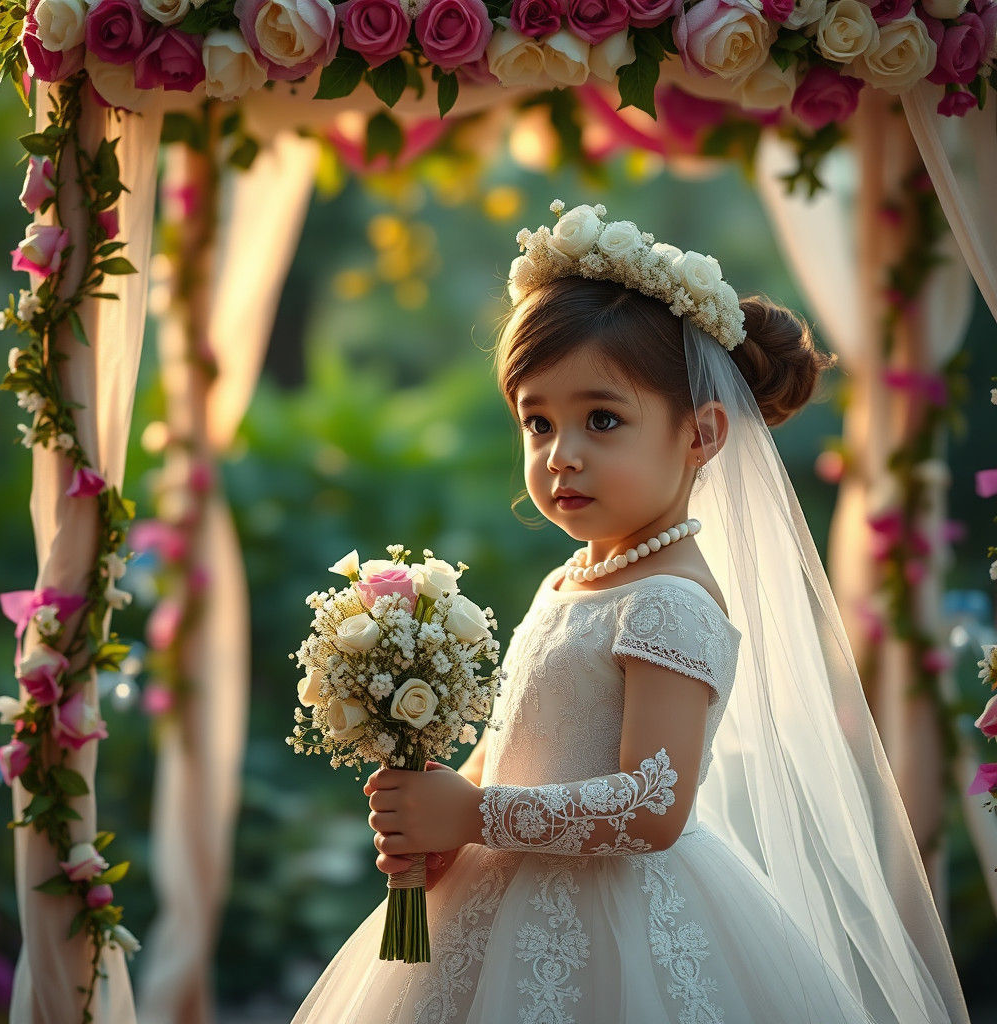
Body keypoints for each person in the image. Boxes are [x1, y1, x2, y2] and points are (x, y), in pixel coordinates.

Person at [291, 201, 971, 1024]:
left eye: (602, 419)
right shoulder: (571, 578)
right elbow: (524, 746)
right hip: (494, 895)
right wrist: (447, 801)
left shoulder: (670, 602)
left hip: (614, 924)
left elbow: (653, 804)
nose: (560, 454)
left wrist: (474, 813)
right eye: (537, 422)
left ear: (703, 433)